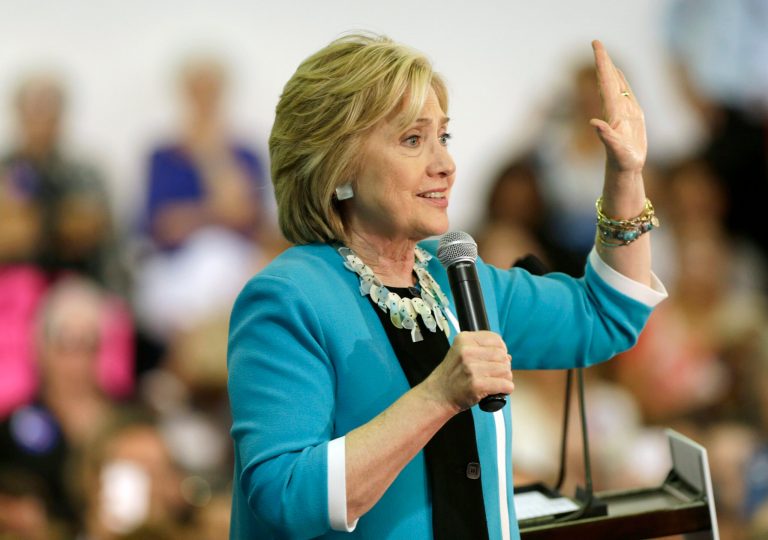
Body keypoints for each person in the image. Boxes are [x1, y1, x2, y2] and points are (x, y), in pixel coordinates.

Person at [227, 33, 667, 539]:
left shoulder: (455, 275)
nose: (446, 164)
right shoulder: (289, 298)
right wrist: (439, 395)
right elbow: (285, 495)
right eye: (413, 140)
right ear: (338, 166)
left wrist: (627, 175)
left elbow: (606, 313)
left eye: (444, 137)